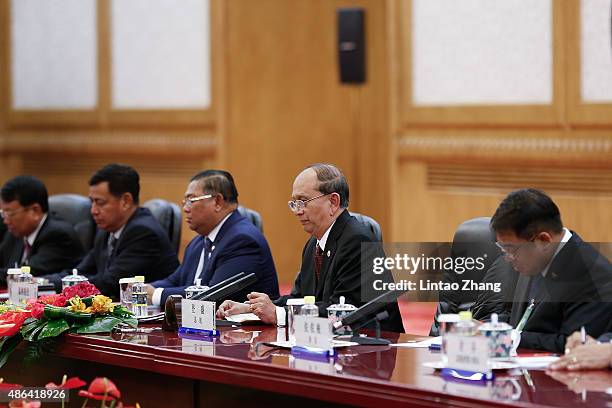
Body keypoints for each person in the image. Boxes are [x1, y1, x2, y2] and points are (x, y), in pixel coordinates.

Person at [217, 163, 404, 333]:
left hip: (371, 351)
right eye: (294, 203)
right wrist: (251, 308)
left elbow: (341, 310)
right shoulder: (314, 243)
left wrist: (278, 314)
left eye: (303, 202)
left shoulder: (357, 240)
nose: (298, 211)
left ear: (333, 202)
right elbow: (300, 298)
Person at [491, 188, 612, 353]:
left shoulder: (594, 276)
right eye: (503, 249)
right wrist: (489, 329)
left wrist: (508, 337)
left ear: (543, 240)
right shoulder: (533, 258)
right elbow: (519, 318)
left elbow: (575, 346)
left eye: (511, 249)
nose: (508, 257)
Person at [42, 164, 179, 298]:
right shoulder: (108, 229)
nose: (93, 211)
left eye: (100, 202)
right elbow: (81, 271)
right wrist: (43, 282)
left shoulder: (144, 232)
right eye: (92, 202)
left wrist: (57, 287)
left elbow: (108, 284)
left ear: (125, 201)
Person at [146, 170, 279, 306]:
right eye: (185, 201)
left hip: (241, 326)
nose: (185, 208)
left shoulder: (242, 241)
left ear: (217, 202)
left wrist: (156, 295)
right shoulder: (198, 242)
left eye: (191, 200)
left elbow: (214, 296)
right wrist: (141, 289)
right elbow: (174, 281)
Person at [0, 175, 84, 284]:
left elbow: (27, 274)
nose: (6, 221)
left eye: (10, 213)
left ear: (35, 211)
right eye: (3, 213)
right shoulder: (16, 232)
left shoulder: (58, 236)